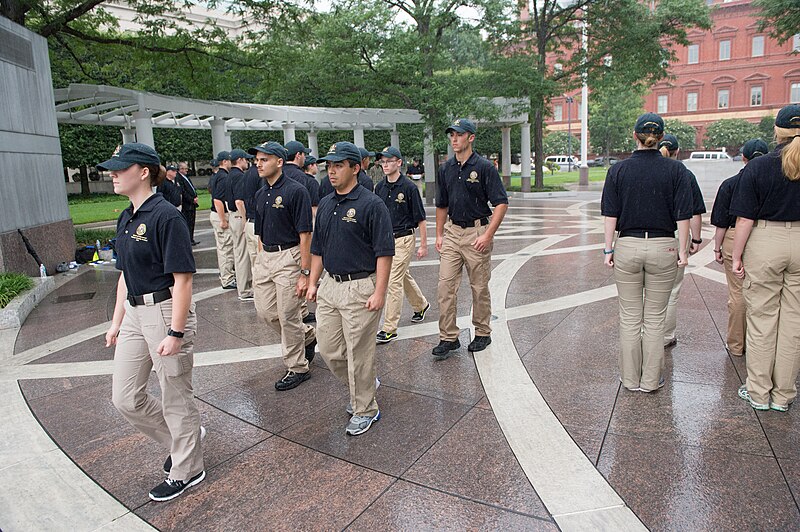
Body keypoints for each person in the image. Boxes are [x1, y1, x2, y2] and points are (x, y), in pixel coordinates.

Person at [99, 143, 204, 502]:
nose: (112, 173)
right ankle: (185, 440)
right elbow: (125, 275)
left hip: (163, 311)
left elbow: (183, 280)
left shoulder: (166, 216)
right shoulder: (126, 216)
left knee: (176, 395)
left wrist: (176, 332)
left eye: (120, 168)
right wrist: (116, 322)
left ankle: (188, 468)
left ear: (143, 171)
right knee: (125, 397)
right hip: (133, 313)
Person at [306, 142, 394, 436]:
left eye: (339, 165)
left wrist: (379, 292)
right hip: (331, 285)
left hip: (360, 287)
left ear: (356, 168)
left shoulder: (372, 204)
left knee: (359, 353)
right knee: (330, 350)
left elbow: (384, 252)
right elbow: (318, 248)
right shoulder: (328, 202)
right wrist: (312, 281)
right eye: (329, 165)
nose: (331, 171)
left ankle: (365, 408)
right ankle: (365, 385)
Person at [601, 113, 692, 393]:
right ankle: (651, 380)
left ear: (634, 136)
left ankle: (630, 379)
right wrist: (684, 250)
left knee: (629, 318)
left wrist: (608, 249)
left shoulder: (618, 170)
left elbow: (610, 214)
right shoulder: (676, 171)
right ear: (661, 138)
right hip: (664, 246)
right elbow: (683, 216)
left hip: (627, 245)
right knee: (655, 319)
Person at [731, 104, 800, 412]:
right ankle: (784, 394)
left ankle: (759, 391)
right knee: (794, 323)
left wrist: (736, 256)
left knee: (761, 320)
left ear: (778, 131)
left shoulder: (758, 167)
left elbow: (744, 219)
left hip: (766, 240)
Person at [432, 118, 508, 358]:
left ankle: (483, 332)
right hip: (453, 233)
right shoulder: (446, 168)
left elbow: (501, 203)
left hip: (477, 232)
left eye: (459, 135)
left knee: (479, 287)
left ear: (471, 137)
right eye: (451, 135)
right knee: (445, 287)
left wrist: (487, 235)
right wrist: (439, 234)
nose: (454, 139)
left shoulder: (484, 167)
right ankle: (448, 337)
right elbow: (441, 205)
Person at [248, 141, 317, 391]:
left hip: (289, 256)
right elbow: (260, 234)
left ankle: (297, 367)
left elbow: (305, 235)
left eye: (264, 159)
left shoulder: (296, 191)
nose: (258, 163)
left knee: (288, 315)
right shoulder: (260, 192)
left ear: (279, 161)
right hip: (266, 257)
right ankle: (307, 335)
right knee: (266, 312)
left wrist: (305, 273)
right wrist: (259, 261)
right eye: (257, 159)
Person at [710, 138, 769, 358]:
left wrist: (717, 248)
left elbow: (721, 222)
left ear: (743, 157)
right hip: (765, 235)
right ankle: (761, 345)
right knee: (766, 293)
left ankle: (736, 345)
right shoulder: (776, 180)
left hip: (734, 235)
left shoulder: (730, 183)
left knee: (737, 293)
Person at [374, 146, 429, 343]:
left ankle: (389, 328)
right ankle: (420, 305)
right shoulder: (379, 188)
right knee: (402, 275)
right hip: (385, 240)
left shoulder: (409, 188)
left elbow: (420, 218)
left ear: (399, 162)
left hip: (404, 239)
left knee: (392, 281)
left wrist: (423, 244)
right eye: (383, 161)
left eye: (389, 161)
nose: (385, 164)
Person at [659, 134, 706, 348]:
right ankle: (666, 335)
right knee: (671, 290)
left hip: (646, 237)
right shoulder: (685, 174)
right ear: (678, 152)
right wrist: (695, 239)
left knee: (643, 291)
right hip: (676, 237)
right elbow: (694, 212)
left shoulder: (643, 170)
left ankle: (644, 333)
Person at [227, 149, 254, 301]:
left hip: (232, 215)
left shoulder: (230, 175)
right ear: (240, 160)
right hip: (238, 215)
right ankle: (245, 289)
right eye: (245, 160)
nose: (247, 162)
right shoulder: (238, 176)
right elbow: (239, 201)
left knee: (239, 253)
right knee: (243, 254)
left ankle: (243, 287)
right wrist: (245, 220)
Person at [210, 151, 237, 290]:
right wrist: (223, 220)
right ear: (225, 162)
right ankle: (227, 278)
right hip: (220, 214)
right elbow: (217, 200)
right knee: (226, 249)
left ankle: (227, 276)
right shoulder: (223, 177)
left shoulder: (217, 175)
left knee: (224, 248)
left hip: (216, 214)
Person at [236, 161, 263, 272]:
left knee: (255, 264)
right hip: (257, 222)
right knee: (262, 263)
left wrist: (244, 221)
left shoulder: (246, 174)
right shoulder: (260, 175)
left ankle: (255, 289)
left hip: (249, 222)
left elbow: (239, 200)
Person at [177, 162, 199, 245]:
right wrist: (191, 199)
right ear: (181, 169)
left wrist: (195, 196)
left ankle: (191, 238)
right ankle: (188, 239)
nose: (187, 170)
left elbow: (191, 188)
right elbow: (183, 191)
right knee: (188, 222)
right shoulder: (179, 178)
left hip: (192, 203)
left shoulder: (186, 177)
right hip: (187, 204)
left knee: (192, 221)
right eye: (185, 168)